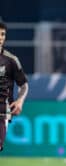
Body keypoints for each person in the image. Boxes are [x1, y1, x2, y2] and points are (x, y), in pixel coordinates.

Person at [0, 21, 29, 151]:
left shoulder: (11, 60)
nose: (0, 37)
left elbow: (23, 85)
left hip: (2, 111)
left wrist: (20, 100)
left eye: (2, 34)